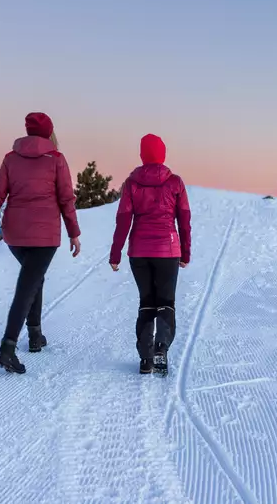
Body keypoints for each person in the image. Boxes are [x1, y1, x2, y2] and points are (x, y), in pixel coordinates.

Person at [0, 112, 81, 374]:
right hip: (44, 236)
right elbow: (66, 199)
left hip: (15, 233)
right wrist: (74, 232)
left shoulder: (11, 158)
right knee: (27, 285)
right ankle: (7, 348)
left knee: (35, 278)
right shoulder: (56, 159)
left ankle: (35, 335)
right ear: (49, 133)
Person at [109, 134, 191, 375]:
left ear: (142, 155)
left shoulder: (132, 183)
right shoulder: (175, 182)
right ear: (163, 154)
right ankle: (161, 348)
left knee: (146, 302)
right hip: (168, 250)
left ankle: (145, 359)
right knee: (166, 302)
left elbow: (123, 220)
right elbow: (184, 220)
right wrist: (185, 252)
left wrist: (115, 254)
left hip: (139, 252)